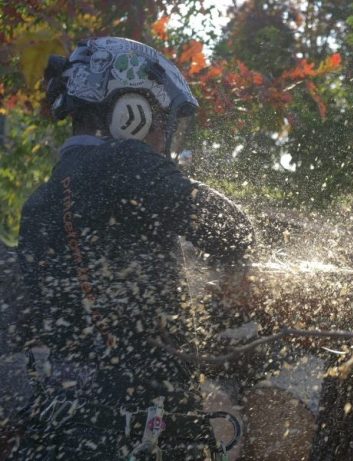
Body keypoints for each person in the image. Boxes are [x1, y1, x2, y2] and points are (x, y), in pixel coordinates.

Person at [13, 37, 254, 460]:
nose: (163, 136)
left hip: (62, 424)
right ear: (131, 111)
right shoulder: (127, 162)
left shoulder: (40, 203)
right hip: (138, 426)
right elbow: (232, 230)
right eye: (162, 120)